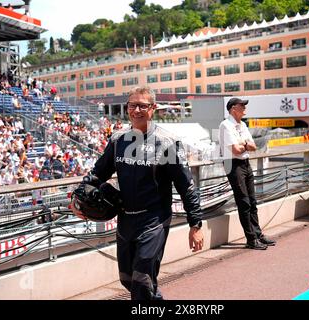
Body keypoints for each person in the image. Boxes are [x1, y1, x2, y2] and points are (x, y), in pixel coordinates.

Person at [71, 86, 204, 300]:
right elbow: (97, 174)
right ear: (127, 108)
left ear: (153, 108)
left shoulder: (167, 143)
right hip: (126, 219)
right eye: (133, 105)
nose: (137, 110)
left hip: (154, 220)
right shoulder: (118, 140)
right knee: (128, 279)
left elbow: (186, 186)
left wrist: (195, 224)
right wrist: (76, 197)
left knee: (141, 282)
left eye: (143, 105)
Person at [219, 98, 276, 250]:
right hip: (233, 165)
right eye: (242, 106)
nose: (245, 108)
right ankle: (251, 239)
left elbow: (253, 146)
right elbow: (236, 150)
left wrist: (243, 144)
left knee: (252, 200)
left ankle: (258, 235)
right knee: (243, 202)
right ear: (233, 109)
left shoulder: (242, 124)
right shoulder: (226, 125)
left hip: (245, 163)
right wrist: (245, 144)